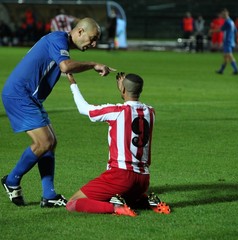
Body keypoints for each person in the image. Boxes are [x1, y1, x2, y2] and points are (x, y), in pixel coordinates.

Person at [1, 18, 115, 208]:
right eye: (92, 38)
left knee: (51, 143)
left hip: (29, 97)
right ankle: (11, 180)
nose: (93, 44)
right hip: (19, 95)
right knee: (44, 142)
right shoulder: (58, 39)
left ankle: (49, 195)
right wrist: (93, 64)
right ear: (79, 32)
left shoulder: (60, 42)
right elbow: (65, 67)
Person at [65, 72, 170, 217]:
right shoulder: (150, 112)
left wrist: (72, 83)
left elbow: (83, 108)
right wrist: (124, 90)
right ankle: (150, 202)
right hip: (143, 180)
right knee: (121, 196)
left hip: (120, 176)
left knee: (73, 202)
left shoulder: (117, 112)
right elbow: (132, 105)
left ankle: (116, 208)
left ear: (123, 89)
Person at [210, 9, 238, 75]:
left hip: (228, 41)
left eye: (224, 14)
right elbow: (236, 31)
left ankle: (236, 70)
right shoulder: (232, 22)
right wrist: (236, 40)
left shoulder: (227, 22)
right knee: (225, 56)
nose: (223, 15)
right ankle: (221, 70)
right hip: (230, 41)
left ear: (227, 14)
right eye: (222, 14)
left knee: (229, 56)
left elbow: (220, 30)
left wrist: (212, 31)